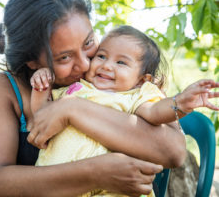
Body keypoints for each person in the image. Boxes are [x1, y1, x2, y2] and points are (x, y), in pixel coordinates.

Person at [0, 0, 187, 196]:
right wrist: (94, 173)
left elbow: (174, 152)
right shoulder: (5, 89)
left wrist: (71, 109)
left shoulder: (118, 76)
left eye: (88, 43)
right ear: (33, 62)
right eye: (64, 57)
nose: (85, 64)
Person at [30, 25, 219, 197]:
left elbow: (155, 112)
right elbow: (41, 117)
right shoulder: (76, 89)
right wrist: (41, 85)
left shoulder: (135, 95)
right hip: (64, 187)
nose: (106, 65)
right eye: (101, 56)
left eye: (121, 63)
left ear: (141, 80)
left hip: (114, 189)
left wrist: (179, 103)